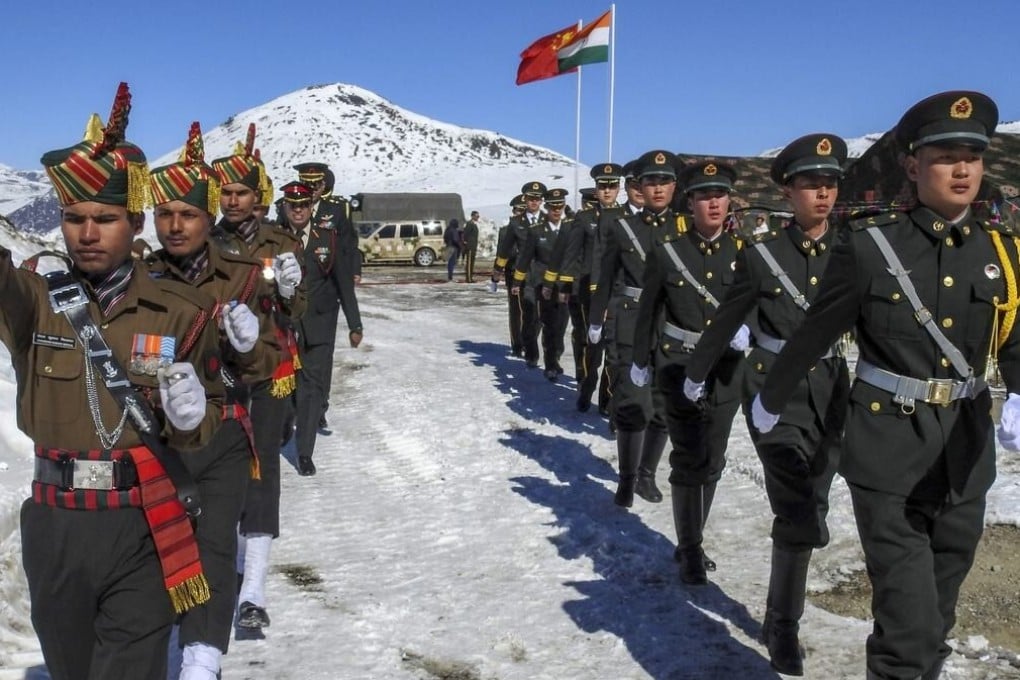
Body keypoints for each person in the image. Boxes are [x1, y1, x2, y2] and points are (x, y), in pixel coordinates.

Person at [754, 91, 1018, 680]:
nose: (962, 169)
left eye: (972, 156)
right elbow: (817, 330)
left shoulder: (1001, 251)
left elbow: (1015, 340)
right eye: (945, 157)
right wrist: (771, 398)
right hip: (888, 454)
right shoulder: (871, 245)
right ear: (912, 166)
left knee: (936, 618)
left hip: (965, 454)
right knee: (907, 632)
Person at [9, 82, 225, 680]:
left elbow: (209, 412)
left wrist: (193, 418)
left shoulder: (180, 312)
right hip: (56, 522)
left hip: (142, 519)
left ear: (134, 223)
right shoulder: (34, 301)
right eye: (73, 219)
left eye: (104, 219)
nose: (87, 233)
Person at [683, 133, 850, 675]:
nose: (822, 194)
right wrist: (696, 373)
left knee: (815, 501)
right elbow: (726, 320)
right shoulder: (763, 256)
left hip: (832, 390)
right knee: (796, 505)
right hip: (773, 393)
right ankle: (784, 625)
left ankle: (780, 607)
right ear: (787, 191)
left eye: (830, 184)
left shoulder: (856, 252)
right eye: (810, 184)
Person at [148, 121, 283, 679]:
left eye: (188, 214)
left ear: (208, 218)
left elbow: (270, 358)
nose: (175, 226)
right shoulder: (141, 278)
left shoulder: (244, 278)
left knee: (213, 546)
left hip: (224, 430)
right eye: (164, 214)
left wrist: (250, 348)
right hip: (156, 438)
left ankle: (202, 660)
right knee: (157, 549)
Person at [630, 161, 746, 585]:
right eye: (704, 196)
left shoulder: (746, 253)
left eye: (720, 195)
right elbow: (648, 311)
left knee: (713, 459)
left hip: (727, 369)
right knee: (687, 457)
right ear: (690, 202)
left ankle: (693, 537)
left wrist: (749, 330)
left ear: (729, 201)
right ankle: (690, 548)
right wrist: (640, 359)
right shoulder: (668, 252)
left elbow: (761, 306)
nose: (713, 203)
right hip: (678, 365)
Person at [588, 151, 675, 508]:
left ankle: (647, 474)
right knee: (632, 403)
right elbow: (606, 276)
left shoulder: (684, 228)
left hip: (670, 323)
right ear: (640, 186)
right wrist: (596, 319)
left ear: (674, 187)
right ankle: (627, 477)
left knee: (664, 405)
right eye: (651, 182)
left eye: (665, 182)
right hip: (630, 320)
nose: (658, 189)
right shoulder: (621, 228)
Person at [281, 175, 363, 477]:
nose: (298, 210)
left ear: (310, 207)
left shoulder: (326, 238)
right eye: (293, 205)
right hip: (285, 325)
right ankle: (286, 423)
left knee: (311, 388)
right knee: (287, 386)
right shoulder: (275, 239)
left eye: (303, 205)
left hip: (319, 323)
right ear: (286, 207)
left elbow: (343, 282)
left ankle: (304, 452)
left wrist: (355, 324)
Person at [556, 163, 623, 412]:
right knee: (592, 346)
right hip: (588, 291)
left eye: (611, 186)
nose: (607, 191)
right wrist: (565, 284)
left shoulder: (626, 217)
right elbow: (572, 253)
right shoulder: (584, 218)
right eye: (602, 186)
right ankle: (586, 387)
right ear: (596, 189)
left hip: (617, 292)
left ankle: (607, 399)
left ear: (618, 189)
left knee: (614, 348)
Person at [512, 188, 571, 380]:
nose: (557, 210)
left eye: (560, 207)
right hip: (542, 284)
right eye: (553, 207)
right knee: (548, 323)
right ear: (547, 207)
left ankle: (556, 355)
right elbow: (525, 257)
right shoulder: (537, 230)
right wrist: (517, 281)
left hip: (565, 283)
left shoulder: (570, 228)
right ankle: (550, 363)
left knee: (561, 324)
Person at [493, 194, 529, 356]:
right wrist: (496, 275)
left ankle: (529, 341)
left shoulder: (534, 229)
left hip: (531, 275)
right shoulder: (505, 231)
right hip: (513, 273)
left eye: (523, 210)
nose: (519, 214)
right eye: (517, 211)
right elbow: (501, 254)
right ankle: (517, 344)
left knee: (532, 311)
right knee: (516, 311)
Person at [463, 210, 480, 282]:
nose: (478, 217)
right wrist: (466, 242)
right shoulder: (469, 224)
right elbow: (466, 234)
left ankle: (470, 277)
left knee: (472, 262)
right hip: (470, 246)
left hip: (473, 246)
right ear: (472, 216)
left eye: (478, 216)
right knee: (469, 263)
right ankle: (468, 278)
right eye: (477, 216)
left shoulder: (474, 224)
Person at [443, 217, 462, 281]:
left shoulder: (447, 230)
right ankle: (450, 276)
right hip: (453, 247)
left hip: (448, 247)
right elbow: (455, 240)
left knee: (449, 263)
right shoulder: (454, 230)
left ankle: (449, 275)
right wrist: (459, 246)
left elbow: (445, 238)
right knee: (452, 263)